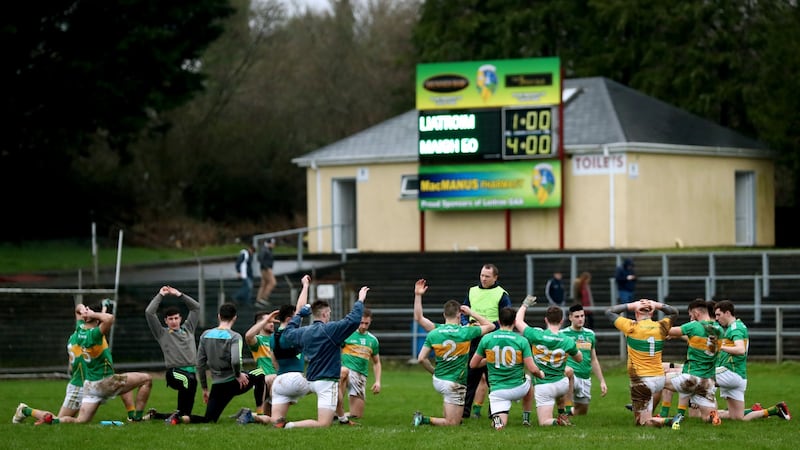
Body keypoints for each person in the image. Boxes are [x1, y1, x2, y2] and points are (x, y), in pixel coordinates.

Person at [15, 302, 153, 425]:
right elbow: (109, 319)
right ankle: (136, 418)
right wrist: (92, 313)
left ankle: (55, 421)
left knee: (80, 421)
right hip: (88, 383)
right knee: (145, 379)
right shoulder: (94, 335)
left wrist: (83, 310)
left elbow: (80, 310)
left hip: (89, 384)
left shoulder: (80, 329)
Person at [276, 285, 370, 428]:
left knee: (337, 391)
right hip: (326, 381)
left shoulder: (304, 331)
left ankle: (343, 420)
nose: (330, 315)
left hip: (311, 380)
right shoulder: (330, 329)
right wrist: (360, 300)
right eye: (329, 313)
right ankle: (288, 425)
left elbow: (288, 332)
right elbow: (353, 320)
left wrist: (300, 315)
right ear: (325, 314)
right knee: (323, 423)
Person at [413, 278, 495, 427]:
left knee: (455, 416)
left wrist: (418, 295)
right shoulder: (466, 332)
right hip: (455, 383)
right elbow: (490, 326)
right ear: (459, 315)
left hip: (438, 380)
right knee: (453, 423)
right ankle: (423, 419)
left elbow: (421, 358)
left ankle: (450, 415)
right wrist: (471, 312)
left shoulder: (435, 331)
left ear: (444, 315)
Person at [164, 302, 262, 424]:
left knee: (209, 419)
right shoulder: (235, 337)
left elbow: (200, 364)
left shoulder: (205, 335)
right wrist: (238, 375)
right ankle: (260, 414)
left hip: (217, 385)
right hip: (234, 383)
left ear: (219, 316)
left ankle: (178, 418)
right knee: (260, 373)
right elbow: (236, 360)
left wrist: (205, 388)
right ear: (235, 318)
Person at [713, 300, 791, 421]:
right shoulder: (739, 326)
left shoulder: (735, 328)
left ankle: (697, 411)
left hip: (729, 372)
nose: (717, 318)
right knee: (738, 418)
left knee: (700, 377)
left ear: (727, 313)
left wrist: (720, 347)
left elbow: (740, 349)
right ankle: (773, 410)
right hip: (740, 375)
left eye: (718, 315)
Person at [251, 274, 312, 427]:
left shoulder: (273, 337)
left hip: (279, 381)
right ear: (290, 319)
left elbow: (274, 361)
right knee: (329, 380)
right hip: (294, 379)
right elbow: (300, 309)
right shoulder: (292, 333)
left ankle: (252, 415)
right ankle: (339, 416)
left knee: (275, 421)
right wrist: (305, 286)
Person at [606, 298, 678, 427]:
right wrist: (657, 304)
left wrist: (632, 305)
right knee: (642, 415)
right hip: (659, 378)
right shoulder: (661, 326)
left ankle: (669, 420)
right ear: (651, 313)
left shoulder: (631, 327)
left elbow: (609, 312)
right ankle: (655, 415)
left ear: (636, 313)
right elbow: (674, 312)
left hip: (642, 381)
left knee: (641, 422)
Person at [469, 307, 544, 430]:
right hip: (518, 388)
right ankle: (526, 418)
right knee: (528, 379)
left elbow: (473, 365)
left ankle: (497, 419)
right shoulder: (522, 340)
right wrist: (541, 374)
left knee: (499, 425)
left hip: (498, 391)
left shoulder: (487, 338)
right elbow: (533, 368)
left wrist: (490, 358)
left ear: (498, 321)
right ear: (515, 322)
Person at [515, 301, 582, 426]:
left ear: (546, 320)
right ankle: (564, 411)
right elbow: (579, 358)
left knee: (544, 422)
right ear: (562, 321)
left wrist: (524, 305)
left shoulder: (536, 335)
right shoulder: (567, 341)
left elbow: (518, 321)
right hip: (562, 384)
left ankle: (558, 421)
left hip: (544, 385)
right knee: (568, 371)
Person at [661, 298, 724, 427]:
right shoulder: (719, 330)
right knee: (706, 417)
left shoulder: (694, 326)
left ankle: (648, 415)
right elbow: (700, 341)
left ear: (696, 313)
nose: (691, 318)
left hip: (691, 376)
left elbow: (665, 331)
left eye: (691, 315)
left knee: (654, 381)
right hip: (707, 381)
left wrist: (646, 326)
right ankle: (713, 416)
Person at [461, 263, 512, 419]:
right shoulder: (472, 291)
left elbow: (506, 318)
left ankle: (495, 412)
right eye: (482, 275)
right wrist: (467, 324)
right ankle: (464, 412)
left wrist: (489, 327)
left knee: (494, 378)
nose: (483, 278)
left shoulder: (502, 294)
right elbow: (463, 311)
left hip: (493, 339)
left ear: (495, 277)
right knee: (470, 377)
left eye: (487, 276)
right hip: (475, 337)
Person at [144, 285, 201, 419]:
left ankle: (158, 416)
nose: (174, 321)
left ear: (181, 319)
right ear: (166, 321)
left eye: (176, 318)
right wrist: (160, 295)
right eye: (170, 319)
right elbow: (149, 313)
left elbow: (196, 307)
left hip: (191, 371)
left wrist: (179, 294)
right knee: (189, 380)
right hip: (174, 372)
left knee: (185, 413)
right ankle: (180, 416)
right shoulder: (162, 333)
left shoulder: (189, 329)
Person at [335, 307, 381, 425]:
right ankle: (335, 410)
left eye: (367, 323)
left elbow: (376, 362)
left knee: (357, 415)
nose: (364, 326)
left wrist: (377, 381)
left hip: (360, 376)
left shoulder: (373, 340)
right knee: (343, 373)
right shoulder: (347, 334)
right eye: (361, 323)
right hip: (346, 371)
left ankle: (337, 414)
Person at [560, 303, 607, 416]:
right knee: (568, 375)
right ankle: (563, 412)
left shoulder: (590, 334)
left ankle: (568, 413)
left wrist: (602, 381)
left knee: (581, 412)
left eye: (582, 316)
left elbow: (594, 359)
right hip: (570, 374)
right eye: (577, 316)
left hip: (585, 376)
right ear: (570, 317)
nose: (580, 319)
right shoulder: (562, 334)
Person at [244, 309, 280, 418]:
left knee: (267, 418)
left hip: (277, 378)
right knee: (273, 418)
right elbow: (248, 336)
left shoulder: (276, 339)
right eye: (268, 321)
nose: (272, 324)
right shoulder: (258, 340)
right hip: (264, 381)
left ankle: (246, 414)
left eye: (272, 321)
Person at [256, 238, 277, 308]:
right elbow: (260, 258)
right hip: (266, 269)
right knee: (272, 282)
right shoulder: (264, 249)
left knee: (264, 284)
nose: (274, 245)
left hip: (266, 268)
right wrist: (267, 267)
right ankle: (264, 298)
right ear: (269, 243)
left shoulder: (267, 249)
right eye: (272, 244)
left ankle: (259, 299)